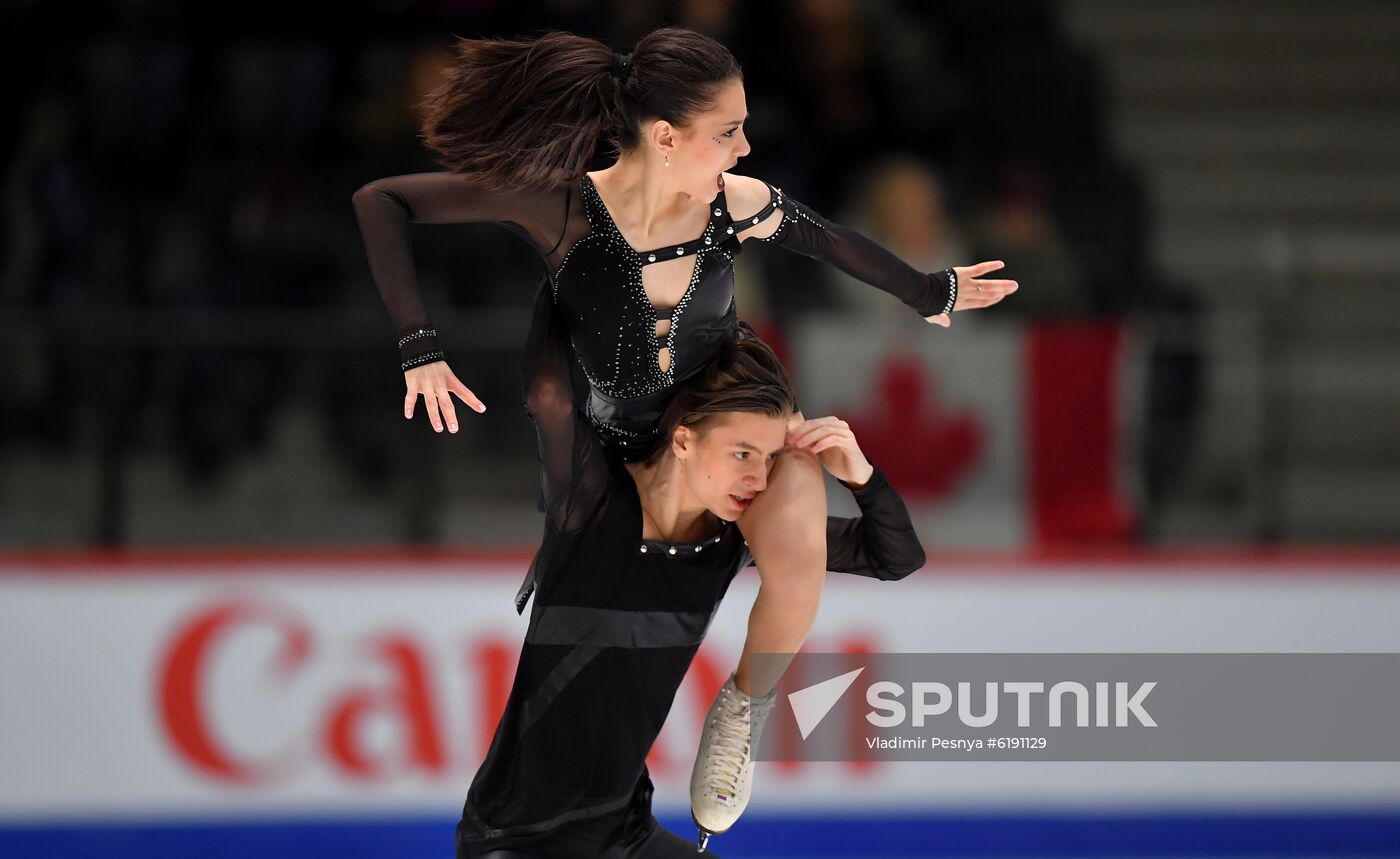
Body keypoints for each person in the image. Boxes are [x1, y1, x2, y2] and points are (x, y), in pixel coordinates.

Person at [350, 26, 1017, 839]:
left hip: (721, 425)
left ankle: (743, 707)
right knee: (560, 425)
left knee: (800, 516)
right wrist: (419, 344)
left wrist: (928, 291)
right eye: (728, 130)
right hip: (616, 449)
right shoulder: (564, 207)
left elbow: (832, 242)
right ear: (665, 136)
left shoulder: (732, 206)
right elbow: (382, 199)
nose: (746, 144)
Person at [455, 283, 925, 858]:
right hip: (515, 839)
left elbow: (895, 557)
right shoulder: (592, 498)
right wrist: (564, 271)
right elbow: (549, 394)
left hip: (623, 834)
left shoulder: (732, 538)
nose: (758, 478)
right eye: (742, 454)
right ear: (683, 440)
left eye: (771, 458)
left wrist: (861, 476)